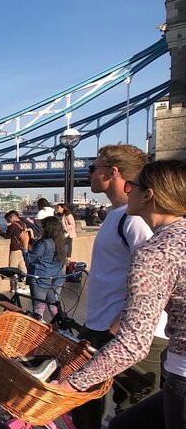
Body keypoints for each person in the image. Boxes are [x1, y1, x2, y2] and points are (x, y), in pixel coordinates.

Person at [52, 159, 186, 429]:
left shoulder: (155, 253)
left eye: (132, 185)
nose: (128, 190)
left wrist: (69, 384)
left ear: (149, 195)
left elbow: (132, 345)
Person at [22, 216, 66, 317]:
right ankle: (60, 329)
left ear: (48, 229)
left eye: (42, 227)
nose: (40, 228)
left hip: (40, 279)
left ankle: (39, 331)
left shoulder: (44, 243)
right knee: (54, 308)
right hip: (56, 280)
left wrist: (24, 246)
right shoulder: (63, 243)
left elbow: (29, 259)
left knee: (38, 310)